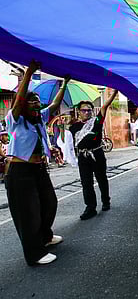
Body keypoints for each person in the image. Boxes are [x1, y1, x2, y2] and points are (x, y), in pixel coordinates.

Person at [5, 60, 68, 265]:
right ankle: (34, 254)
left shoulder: (39, 118)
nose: (36, 103)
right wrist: (29, 74)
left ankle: (46, 237)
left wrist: (64, 83)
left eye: (37, 100)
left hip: (39, 168)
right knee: (28, 213)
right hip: (20, 171)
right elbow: (18, 102)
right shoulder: (15, 120)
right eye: (31, 101)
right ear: (23, 104)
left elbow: (55, 105)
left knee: (49, 203)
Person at [69, 88, 119, 220]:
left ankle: (106, 201)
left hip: (97, 154)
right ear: (79, 112)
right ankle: (90, 208)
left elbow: (105, 105)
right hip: (83, 157)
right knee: (86, 183)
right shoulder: (74, 126)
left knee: (101, 178)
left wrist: (114, 92)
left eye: (89, 110)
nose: (86, 112)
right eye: (84, 110)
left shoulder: (97, 121)